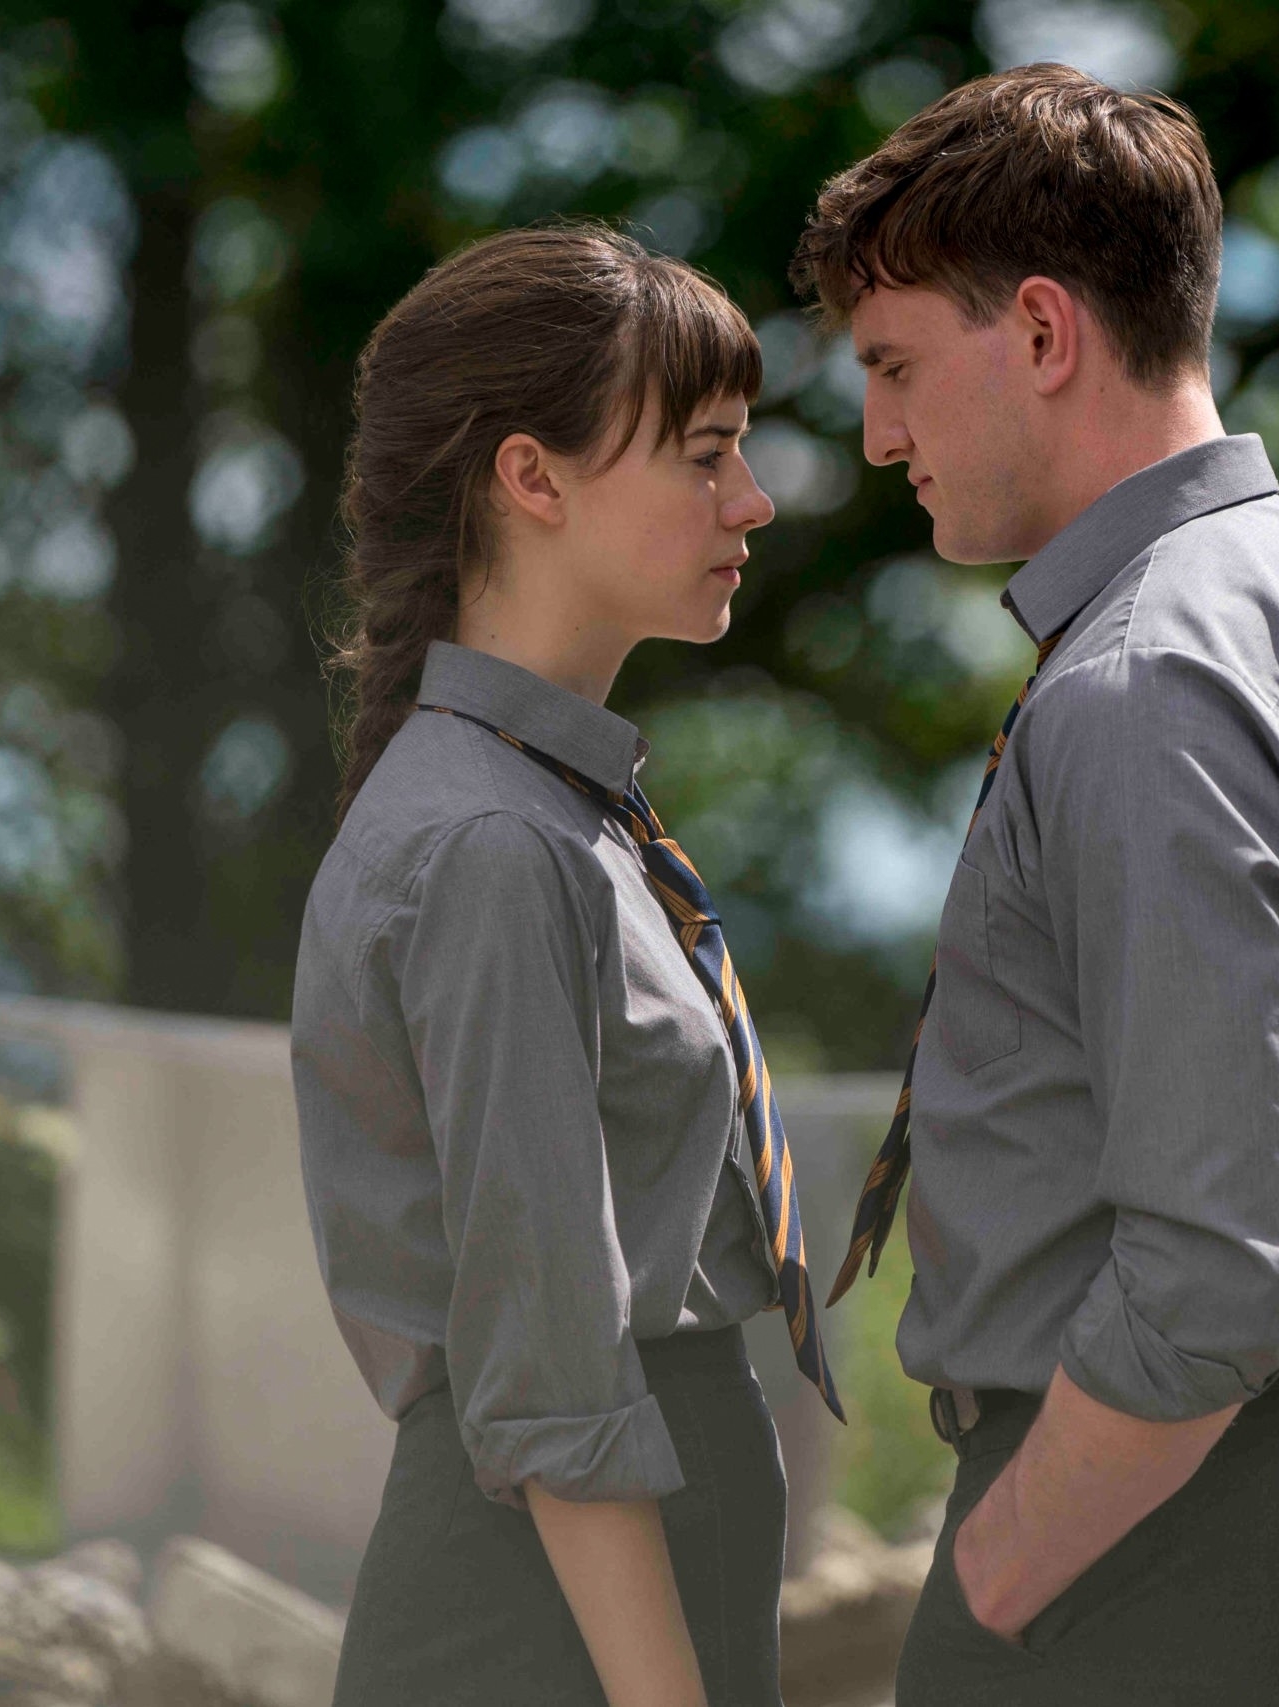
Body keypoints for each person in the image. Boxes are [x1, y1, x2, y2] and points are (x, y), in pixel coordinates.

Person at [794, 66, 1279, 1705]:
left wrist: (1007, 1566)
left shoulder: (1147, 677)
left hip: (1147, 1556)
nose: (878, 435)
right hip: (1269, 1502)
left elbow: (1220, 1261)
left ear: (1042, 331)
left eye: (894, 366)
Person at [290, 224, 840, 1707]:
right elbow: (548, 1369)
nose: (754, 499)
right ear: (531, 479)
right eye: (706, 454)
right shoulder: (495, 841)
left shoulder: (548, 813)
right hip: (552, 1606)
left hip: (593, 1566)